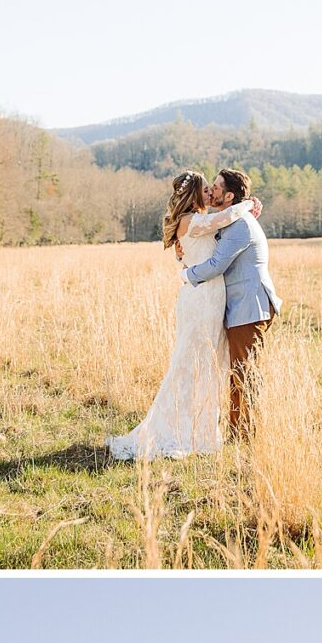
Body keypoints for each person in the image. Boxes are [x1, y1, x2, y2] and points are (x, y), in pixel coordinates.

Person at [108, 169, 267, 461]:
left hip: (217, 300)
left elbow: (206, 246)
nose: (211, 193)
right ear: (195, 194)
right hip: (203, 297)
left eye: (215, 188)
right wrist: (246, 204)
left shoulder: (209, 222)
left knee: (207, 366)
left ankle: (203, 430)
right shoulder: (197, 221)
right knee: (191, 362)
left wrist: (184, 260)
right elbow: (214, 250)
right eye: (207, 189)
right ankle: (179, 430)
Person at [176, 165, 282, 442]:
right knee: (238, 370)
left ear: (230, 196)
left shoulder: (241, 225)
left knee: (244, 372)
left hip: (249, 306)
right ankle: (237, 430)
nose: (212, 190)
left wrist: (186, 275)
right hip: (238, 307)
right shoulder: (230, 220)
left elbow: (216, 264)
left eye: (217, 187)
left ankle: (245, 434)